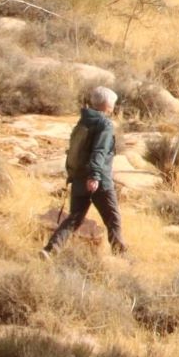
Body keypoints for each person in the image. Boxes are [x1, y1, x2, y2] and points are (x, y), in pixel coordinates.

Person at [43, 84, 125, 258]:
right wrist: (95, 176)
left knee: (74, 218)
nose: (114, 107)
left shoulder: (84, 120)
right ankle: (121, 256)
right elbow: (100, 151)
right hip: (98, 179)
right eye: (113, 104)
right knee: (113, 218)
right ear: (106, 105)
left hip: (79, 176)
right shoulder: (104, 124)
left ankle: (50, 250)